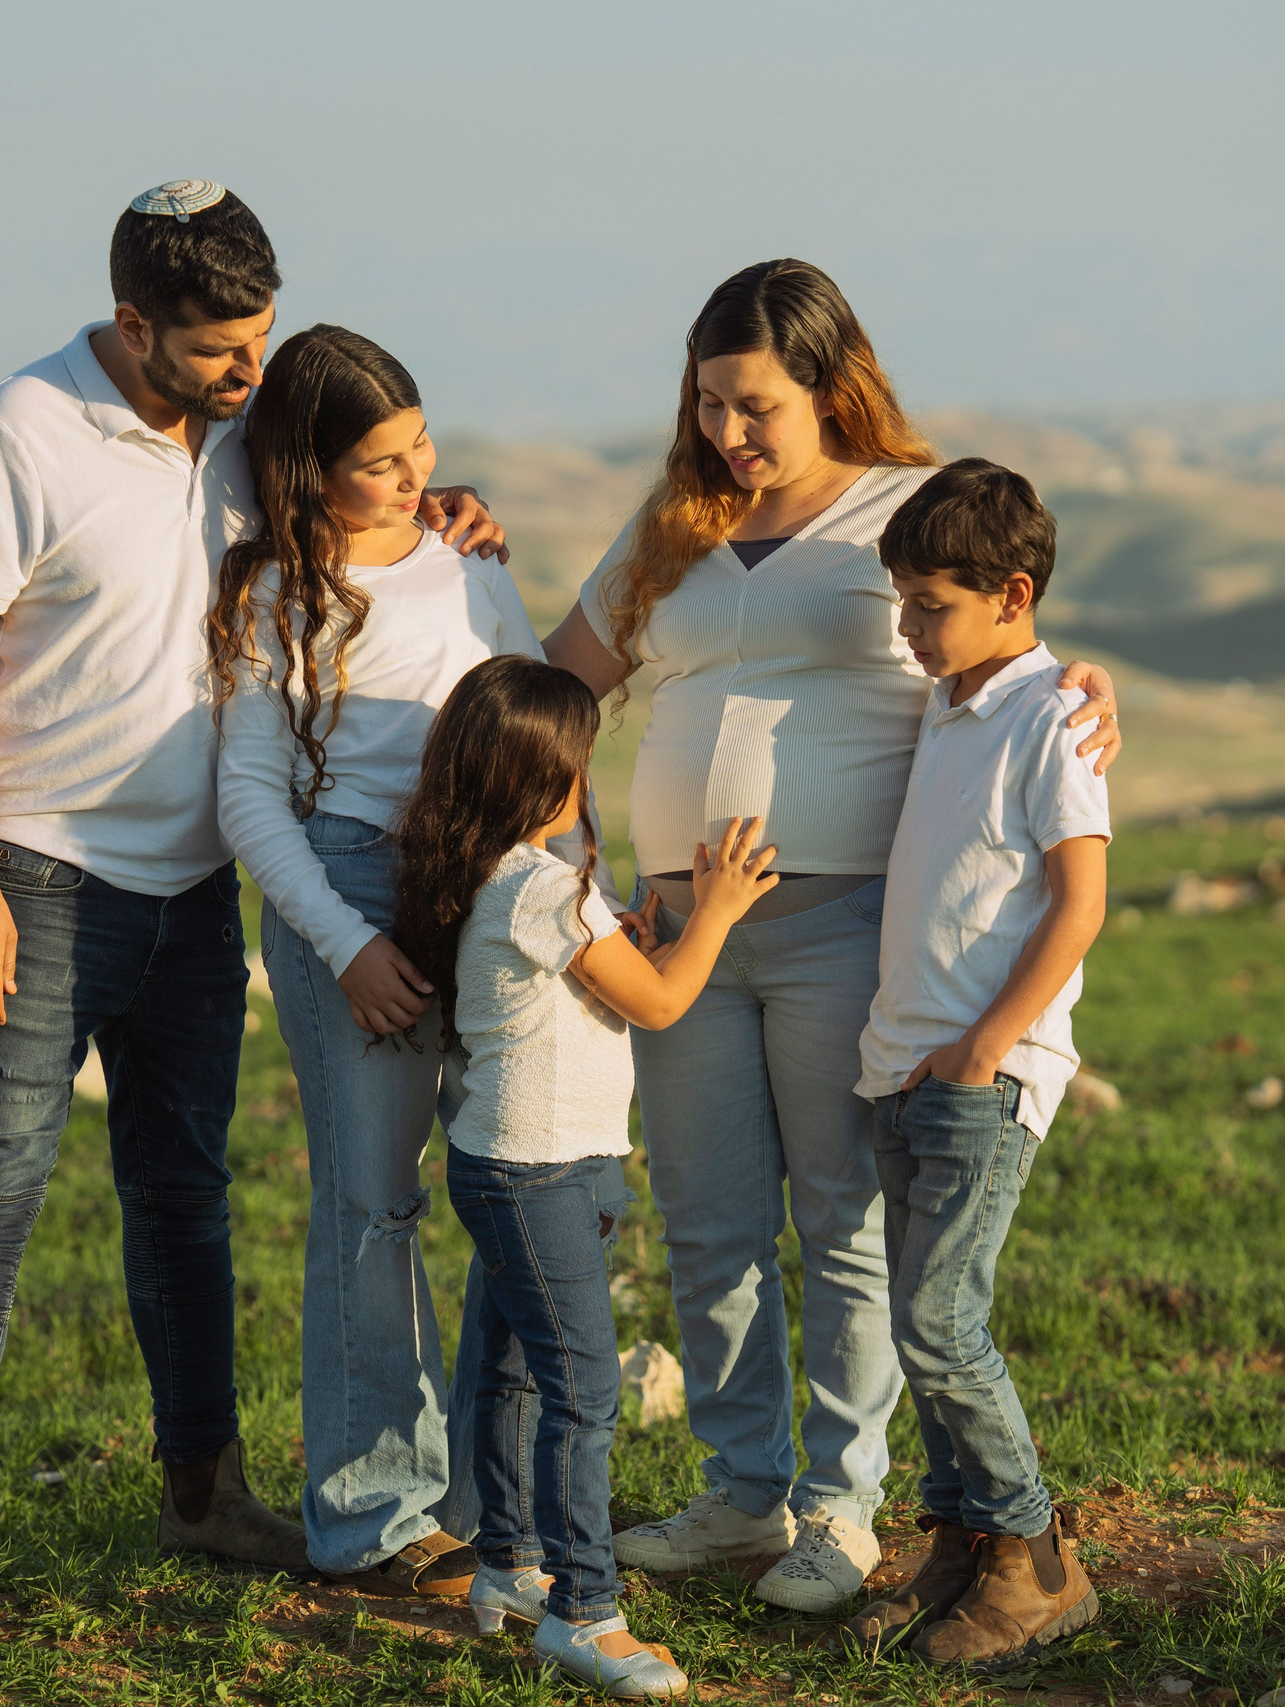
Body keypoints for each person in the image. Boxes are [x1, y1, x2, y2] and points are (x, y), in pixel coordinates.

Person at [0, 182, 506, 1659]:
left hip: (197, 891)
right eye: (215, 347)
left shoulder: (247, 442)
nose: (246, 369)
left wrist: (441, 516)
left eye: (259, 339)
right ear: (135, 323)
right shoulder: (20, 430)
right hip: (42, 871)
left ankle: (204, 1487)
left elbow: (355, 507)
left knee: (182, 1193)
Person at [540, 259, 1122, 1613]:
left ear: (828, 385)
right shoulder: (667, 526)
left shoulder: (889, 512)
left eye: (754, 406)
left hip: (841, 918)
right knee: (707, 1213)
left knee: (840, 1213)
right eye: (706, 405)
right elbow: (560, 687)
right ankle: (738, 1493)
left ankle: (839, 1506)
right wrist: (577, 850)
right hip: (680, 924)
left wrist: (1088, 680)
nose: (726, 434)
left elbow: (989, 633)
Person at [209, 325, 597, 1596]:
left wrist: (583, 887)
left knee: (506, 1181)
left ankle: (496, 1506)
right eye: (377, 460)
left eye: (418, 444)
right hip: (349, 898)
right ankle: (372, 1520)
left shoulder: (468, 562)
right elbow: (253, 803)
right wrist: (351, 947)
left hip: (488, 894)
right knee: (372, 1211)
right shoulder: (275, 595)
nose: (413, 470)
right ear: (307, 469)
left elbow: (539, 737)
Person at [390, 654, 776, 1697]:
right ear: (543, 776)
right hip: (540, 1170)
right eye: (581, 760)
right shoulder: (545, 886)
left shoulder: (506, 878)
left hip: (518, 1164)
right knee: (584, 1393)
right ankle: (582, 1614)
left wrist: (631, 936)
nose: (587, 778)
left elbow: (595, 982)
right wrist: (718, 914)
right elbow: (657, 1004)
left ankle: (511, 1567)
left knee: (518, 1371)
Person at [842, 460, 1106, 1664]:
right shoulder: (950, 703)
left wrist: (985, 1048)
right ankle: (959, 1552)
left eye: (929, 607)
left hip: (977, 1077)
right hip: (907, 1070)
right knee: (916, 1326)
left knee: (943, 1325)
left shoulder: (1051, 715)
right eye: (900, 602)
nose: (909, 629)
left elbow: (1078, 903)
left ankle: (1039, 1561)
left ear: (1012, 591)